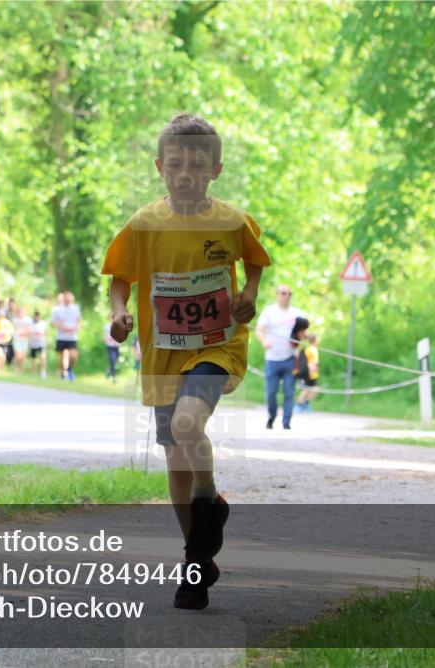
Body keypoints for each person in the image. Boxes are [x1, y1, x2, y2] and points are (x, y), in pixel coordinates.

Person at [102, 113, 271, 610]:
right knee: (176, 456)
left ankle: (209, 503)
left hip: (217, 346)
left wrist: (249, 295)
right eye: (175, 163)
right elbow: (120, 279)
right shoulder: (143, 224)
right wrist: (118, 314)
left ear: (214, 169)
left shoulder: (232, 220)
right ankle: (197, 556)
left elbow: (256, 262)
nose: (185, 173)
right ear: (160, 166)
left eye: (196, 164)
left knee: (187, 422)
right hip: (161, 354)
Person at [255, 285, 304, 430]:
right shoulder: (269, 312)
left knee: (289, 391)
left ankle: (286, 422)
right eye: (283, 293)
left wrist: (303, 339)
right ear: (277, 294)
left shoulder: (297, 313)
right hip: (272, 359)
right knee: (271, 392)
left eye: (289, 293)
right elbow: (259, 330)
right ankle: (271, 416)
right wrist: (264, 340)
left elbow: (303, 331)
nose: (287, 296)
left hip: (290, 359)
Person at [52, 291, 82, 380]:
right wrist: (61, 326)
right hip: (61, 337)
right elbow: (53, 323)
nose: (68, 299)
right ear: (63, 298)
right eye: (67, 297)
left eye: (70, 297)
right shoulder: (57, 309)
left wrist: (78, 327)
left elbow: (79, 320)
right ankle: (63, 373)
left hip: (72, 337)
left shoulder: (76, 308)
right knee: (62, 357)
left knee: (73, 356)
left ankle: (69, 369)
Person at [292, 318, 319, 413]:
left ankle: (305, 403)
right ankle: (299, 406)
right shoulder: (312, 349)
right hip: (308, 373)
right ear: (314, 340)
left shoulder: (308, 348)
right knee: (306, 389)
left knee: (314, 389)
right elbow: (311, 362)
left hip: (312, 374)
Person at [11, 306, 33, 373]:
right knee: (18, 355)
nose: (21, 313)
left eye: (22, 312)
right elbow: (12, 329)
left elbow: (29, 330)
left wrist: (29, 340)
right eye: (20, 312)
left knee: (23, 356)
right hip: (17, 339)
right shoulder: (14, 320)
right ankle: (15, 367)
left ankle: (21, 370)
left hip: (25, 340)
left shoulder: (28, 320)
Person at [29, 309, 49, 378]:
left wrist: (46, 341)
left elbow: (45, 333)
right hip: (34, 344)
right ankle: (34, 372)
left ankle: (43, 371)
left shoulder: (43, 324)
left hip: (41, 343)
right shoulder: (31, 324)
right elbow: (30, 334)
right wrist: (30, 343)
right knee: (34, 358)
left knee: (43, 357)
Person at [103, 314, 122, 383]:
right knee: (112, 361)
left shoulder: (119, 326)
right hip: (110, 346)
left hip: (116, 346)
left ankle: (109, 371)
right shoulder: (107, 326)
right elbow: (104, 337)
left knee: (115, 361)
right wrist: (109, 340)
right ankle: (114, 378)